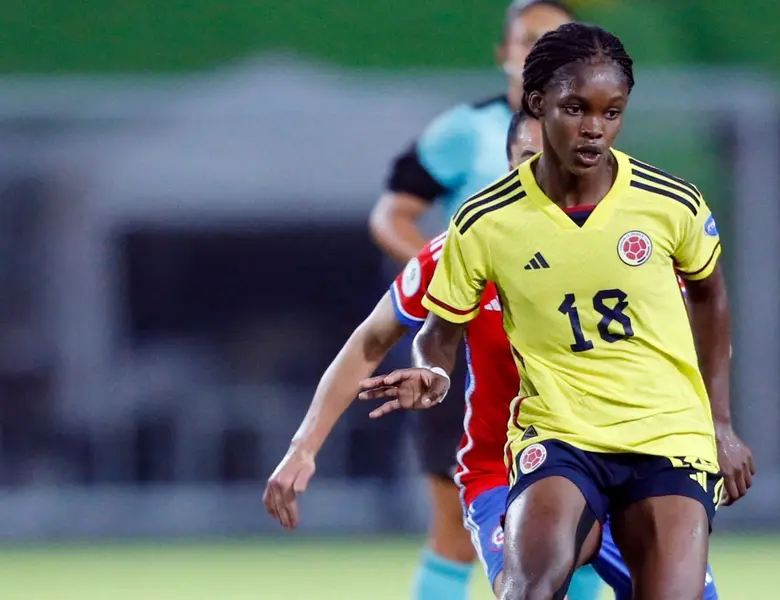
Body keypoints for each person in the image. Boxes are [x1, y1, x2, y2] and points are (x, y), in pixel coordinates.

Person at [359, 23, 754, 599]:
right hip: (559, 437)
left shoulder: (672, 204)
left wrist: (720, 423)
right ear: (536, 102)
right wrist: (436, 371)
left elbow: (710, 294)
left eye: (611, 111)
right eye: (576, 108)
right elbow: (440, 331)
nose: (595, 127)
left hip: (666, 437)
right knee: (530, 589)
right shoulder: (486, 221)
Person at [265, 114, 685, 599]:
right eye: (527, 162)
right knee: (527, 582)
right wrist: (303, 446)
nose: (541, 178)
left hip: (624, 460)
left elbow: (691, 340)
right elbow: (368, 343)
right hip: (506, 468)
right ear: (506, 169)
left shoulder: (634, 247)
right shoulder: (460, 252)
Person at [361, 2, 599, 599]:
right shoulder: (465, 129)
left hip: (567, 349)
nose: (540, 51)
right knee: (456, 529)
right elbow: (392, 214)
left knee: (593, 526)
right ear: (505, 54)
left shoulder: (589, 131)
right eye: (528, 40)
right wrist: (447, 283)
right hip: (472, 347)